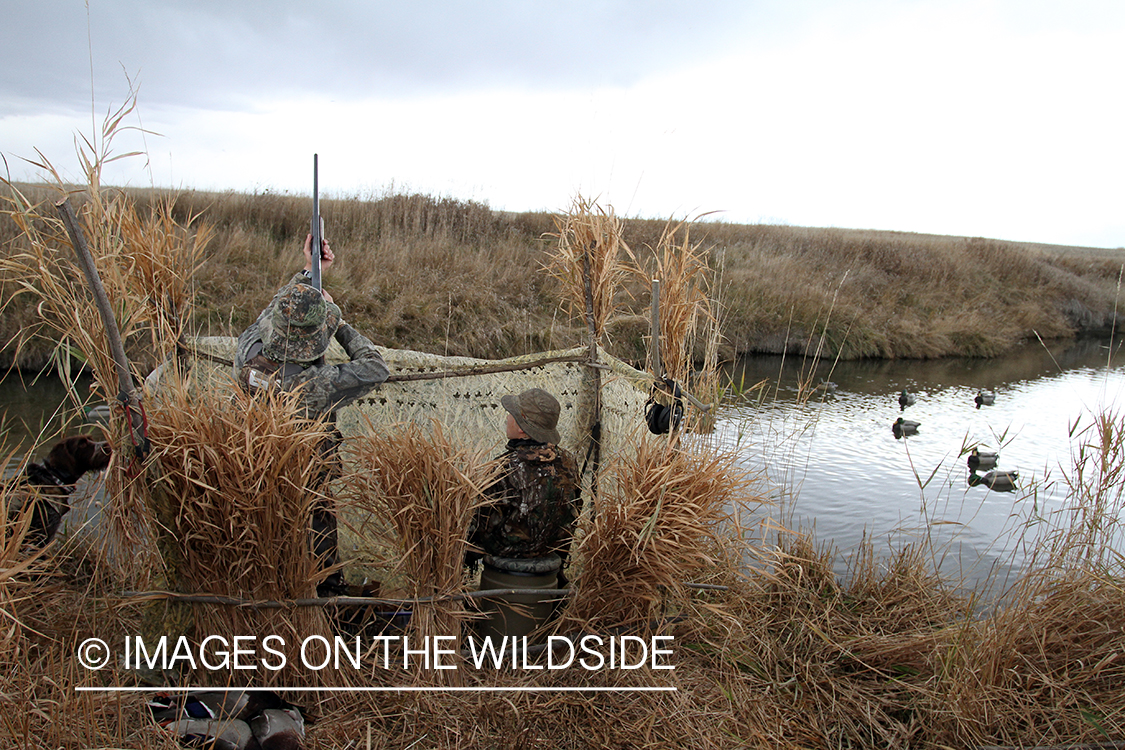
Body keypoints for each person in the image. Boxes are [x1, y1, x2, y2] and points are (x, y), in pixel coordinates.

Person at [233, 233, 389, 595]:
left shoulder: (248, 351)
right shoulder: (314, 383)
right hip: (306, 474)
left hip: (256, 463)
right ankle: (325, 591)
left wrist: (310, 271)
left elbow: (275, 308)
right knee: (318, 523)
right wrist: (339, 324)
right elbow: (375, 368)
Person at [467, 388, 581, 585]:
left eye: (511, 414)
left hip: (506, 563)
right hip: (550, 559)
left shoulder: (503, 468)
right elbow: (574, 512)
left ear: (521, 428)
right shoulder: (568, 462)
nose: (507, 418)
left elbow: (479, 529)